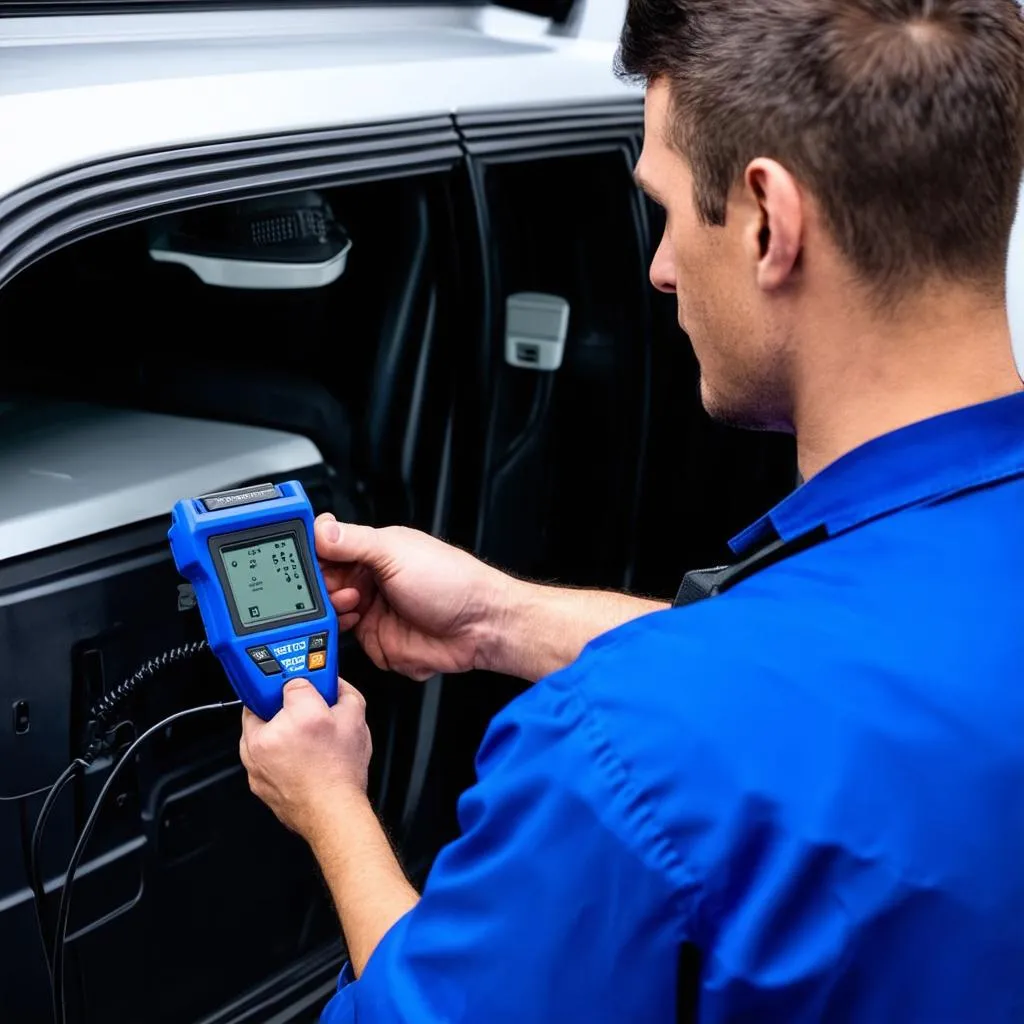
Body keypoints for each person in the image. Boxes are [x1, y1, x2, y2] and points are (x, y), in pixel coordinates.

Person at [238, 1, 1024, 1020]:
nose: (656, 265)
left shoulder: (622, 746)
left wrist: (331, 804)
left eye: (662, 205)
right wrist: (495, 619)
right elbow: (868, 694)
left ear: (766, 221)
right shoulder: (746, 697)